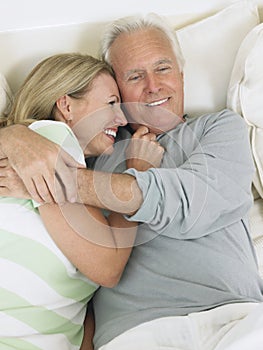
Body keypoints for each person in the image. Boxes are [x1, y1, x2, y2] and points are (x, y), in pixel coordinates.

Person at [1, 13, 263, 350]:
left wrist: (61, 180)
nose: (153, 86)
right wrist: (14, 136)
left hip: (232, 317)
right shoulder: (96, 148)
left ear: (182, 74)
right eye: (135, 76)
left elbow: (188, 199)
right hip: (135, 333)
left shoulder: (218, 130)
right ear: (118, 88)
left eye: (163, 68)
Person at [0, 52, 164, 350]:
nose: (122, 118)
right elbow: (108, 267)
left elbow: (79, 309)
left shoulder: (78, 179)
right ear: (66, 105)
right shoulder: (50, 139)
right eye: (111, 103)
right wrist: (138, 171)